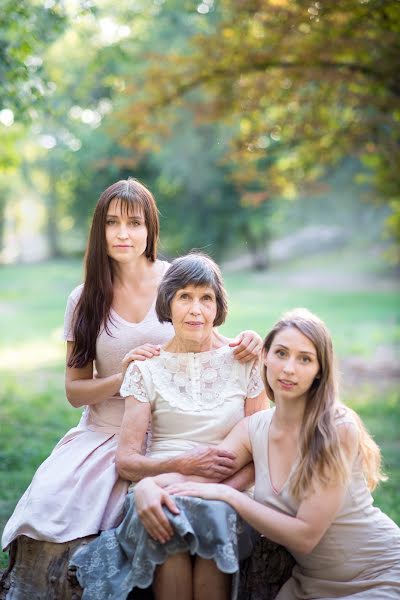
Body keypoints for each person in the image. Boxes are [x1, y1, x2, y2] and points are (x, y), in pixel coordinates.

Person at [1, 178, 261, 551]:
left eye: (134, 223)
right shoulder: (84, 299)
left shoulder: (175, 278)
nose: (123, 234)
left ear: (149, 228)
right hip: (107, 433)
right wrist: (123, 378)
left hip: (175, 430)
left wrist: (246, 340)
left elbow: (206, 329)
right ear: (99, 230)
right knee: (49, 511)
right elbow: (75, 392)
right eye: (112, 223)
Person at [70, 252, 268, 600]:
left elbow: (261, 452)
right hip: (157, 488)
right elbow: (127, 461)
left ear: (218, 307)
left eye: (206, 298)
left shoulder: (245, 362)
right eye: (185, 297)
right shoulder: (147, 368)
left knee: (212, 516)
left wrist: (222, 492)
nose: (196, 309)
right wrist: (182, 466)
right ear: (167, 304)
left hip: (229, 490)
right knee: (169, 525)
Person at [164, 308, 400, 599]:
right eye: (281, 353)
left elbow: (305, 536)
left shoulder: (337, 428)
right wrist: (148, 488)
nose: (289, 368)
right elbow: (198, 473)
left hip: (380, 574)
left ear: (319, 372)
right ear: (264, 357)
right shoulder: (253, 429)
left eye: (305, 359)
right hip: (311, 584)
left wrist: (229, 496)